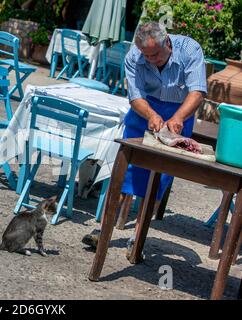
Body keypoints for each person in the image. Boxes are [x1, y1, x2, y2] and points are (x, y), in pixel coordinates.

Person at [82, 21, 207, 249]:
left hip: (179, 112)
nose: (150, 60)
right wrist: (150, 114)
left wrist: (178, 118)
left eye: (155, 55)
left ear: (167, 42)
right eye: (146, 56)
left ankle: (137, 238)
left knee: (157, 177)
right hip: (143, 112)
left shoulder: (190, 49)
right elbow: (135, 95)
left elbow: (197, 92)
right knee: (125, 171)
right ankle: (104, 230)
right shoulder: (134, 55)